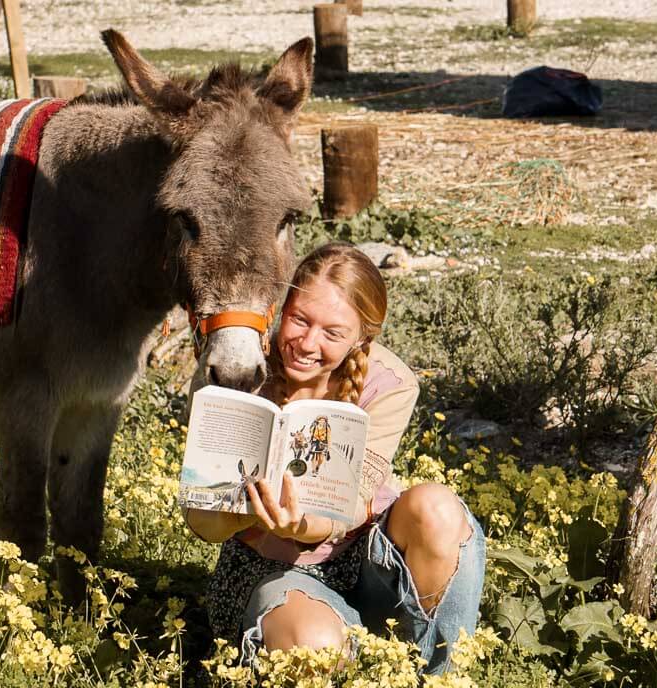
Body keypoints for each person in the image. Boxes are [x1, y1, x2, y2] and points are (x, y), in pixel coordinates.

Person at [184, 242, 486, 675]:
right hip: (274, 570)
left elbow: (357, 499)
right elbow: (202, 523)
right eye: (299, 320)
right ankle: (356, 657)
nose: (307, 344)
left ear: (362, 336)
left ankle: (435, 676)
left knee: (435, 507)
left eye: (332, 333)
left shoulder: (391, 382)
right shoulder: (241, 369)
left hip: (366, 557)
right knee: (314, 646)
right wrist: (251, 516)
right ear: (281, 308)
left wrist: (304, 526)